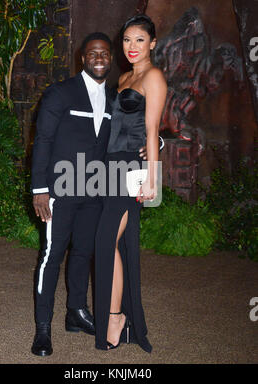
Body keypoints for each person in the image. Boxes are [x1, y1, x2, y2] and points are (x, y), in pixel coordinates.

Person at [30, 32, 146, 356]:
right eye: (94, 53)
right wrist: (40, 189)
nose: (100, 58)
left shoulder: (114, 98)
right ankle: (43, 328)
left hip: (95, 191)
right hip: (60, 190)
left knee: (84, 253)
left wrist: (155, 145)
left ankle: (76, 313)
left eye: (105, 54)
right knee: (52, 256)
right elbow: (43, 142)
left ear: (110, 59)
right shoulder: (60, 93)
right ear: (84, 57)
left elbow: (131, 134)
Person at [94, 14, 167, 352]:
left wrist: (152, 178)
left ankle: (115, 317)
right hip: (108, 167)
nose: (132, 46)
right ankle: (118, 317)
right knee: (112, 244)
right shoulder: (123, 76)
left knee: (107, 240)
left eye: (139, 40)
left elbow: (152, 131)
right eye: (126, 40)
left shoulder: (153, 77)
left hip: (130, 171)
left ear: (152, 42)